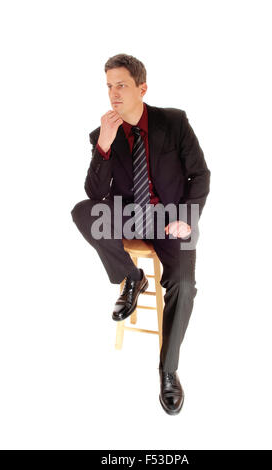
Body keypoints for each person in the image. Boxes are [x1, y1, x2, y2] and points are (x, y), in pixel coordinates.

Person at [71, 53, 210, 415]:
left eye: (121, 85)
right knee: (83, 212)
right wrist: (103, 143)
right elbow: (95, 194)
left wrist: (188, 218)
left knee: (184, 283)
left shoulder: (174, 122)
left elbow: (200, 174)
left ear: (141, 88)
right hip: (129, 215)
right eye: (108, 86)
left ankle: (168, 371)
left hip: (172, 217)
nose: (113, 94)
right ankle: (133, 279)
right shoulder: (105, 131)